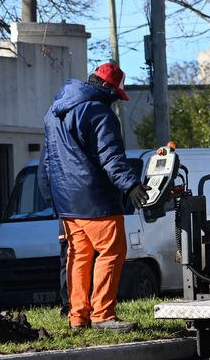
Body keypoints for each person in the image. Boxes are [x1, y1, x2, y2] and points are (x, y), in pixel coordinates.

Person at [36, 63, 148, 332]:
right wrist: (130, 184)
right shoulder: (100, 112)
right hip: (96, 199)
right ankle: (103, 314)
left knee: (79, 257)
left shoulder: (54, 112)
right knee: (112, 252)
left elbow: (47, 161)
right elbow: (110, 156)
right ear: (108, 88)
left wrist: (51, 197)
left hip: (66, 202)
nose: (115, 102)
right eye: (115, 96)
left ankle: (78, 317)